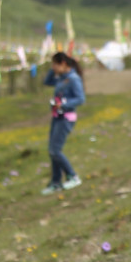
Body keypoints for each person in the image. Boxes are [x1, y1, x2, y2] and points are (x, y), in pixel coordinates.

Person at [41, 52, 85, 194]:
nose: (53, 67)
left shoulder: (73, 79)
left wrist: (64, 105)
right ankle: (56, 182)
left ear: (63, 64)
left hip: (66, 117)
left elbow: (80, 99)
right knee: (52, 151)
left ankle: (73, 176)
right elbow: (47, 82)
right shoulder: (61, 78)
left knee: (55, 150)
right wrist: (52, 70)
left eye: (55, 64)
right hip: (57, 117)